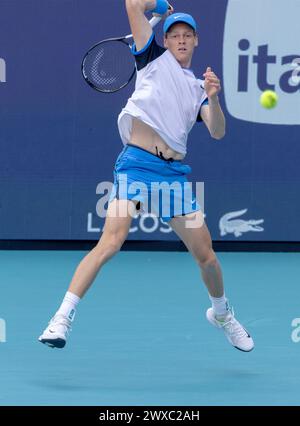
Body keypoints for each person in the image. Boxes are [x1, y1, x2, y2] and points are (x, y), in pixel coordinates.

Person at [39, 0, 254, 352]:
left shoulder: (198, 87)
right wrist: (161, 5)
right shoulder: (151, 57)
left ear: (196, 42)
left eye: (188, 35)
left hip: (172, 177)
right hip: (136, 167)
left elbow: (217, 131)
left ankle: (221, 313)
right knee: (110, 241)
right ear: (166, 41)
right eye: (175, 35)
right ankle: (61, 318)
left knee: (207, 256)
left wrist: (214, 99)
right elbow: (133, 4)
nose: (181, 40)